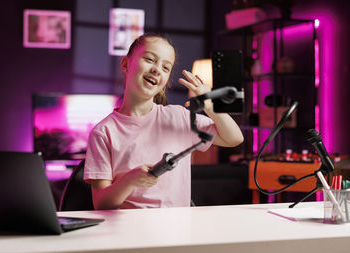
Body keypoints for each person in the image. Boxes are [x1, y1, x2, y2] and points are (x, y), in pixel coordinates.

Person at [83, 33, 243, 210]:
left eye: (166, 68)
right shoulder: (103, 132)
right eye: (150, 59)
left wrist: (211, 107)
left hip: (178, 231)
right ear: (125, 64)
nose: (157, 69)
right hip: (130, 233)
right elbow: (101, 204)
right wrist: (129, 180)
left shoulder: (180, 117)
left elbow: (234, 138)